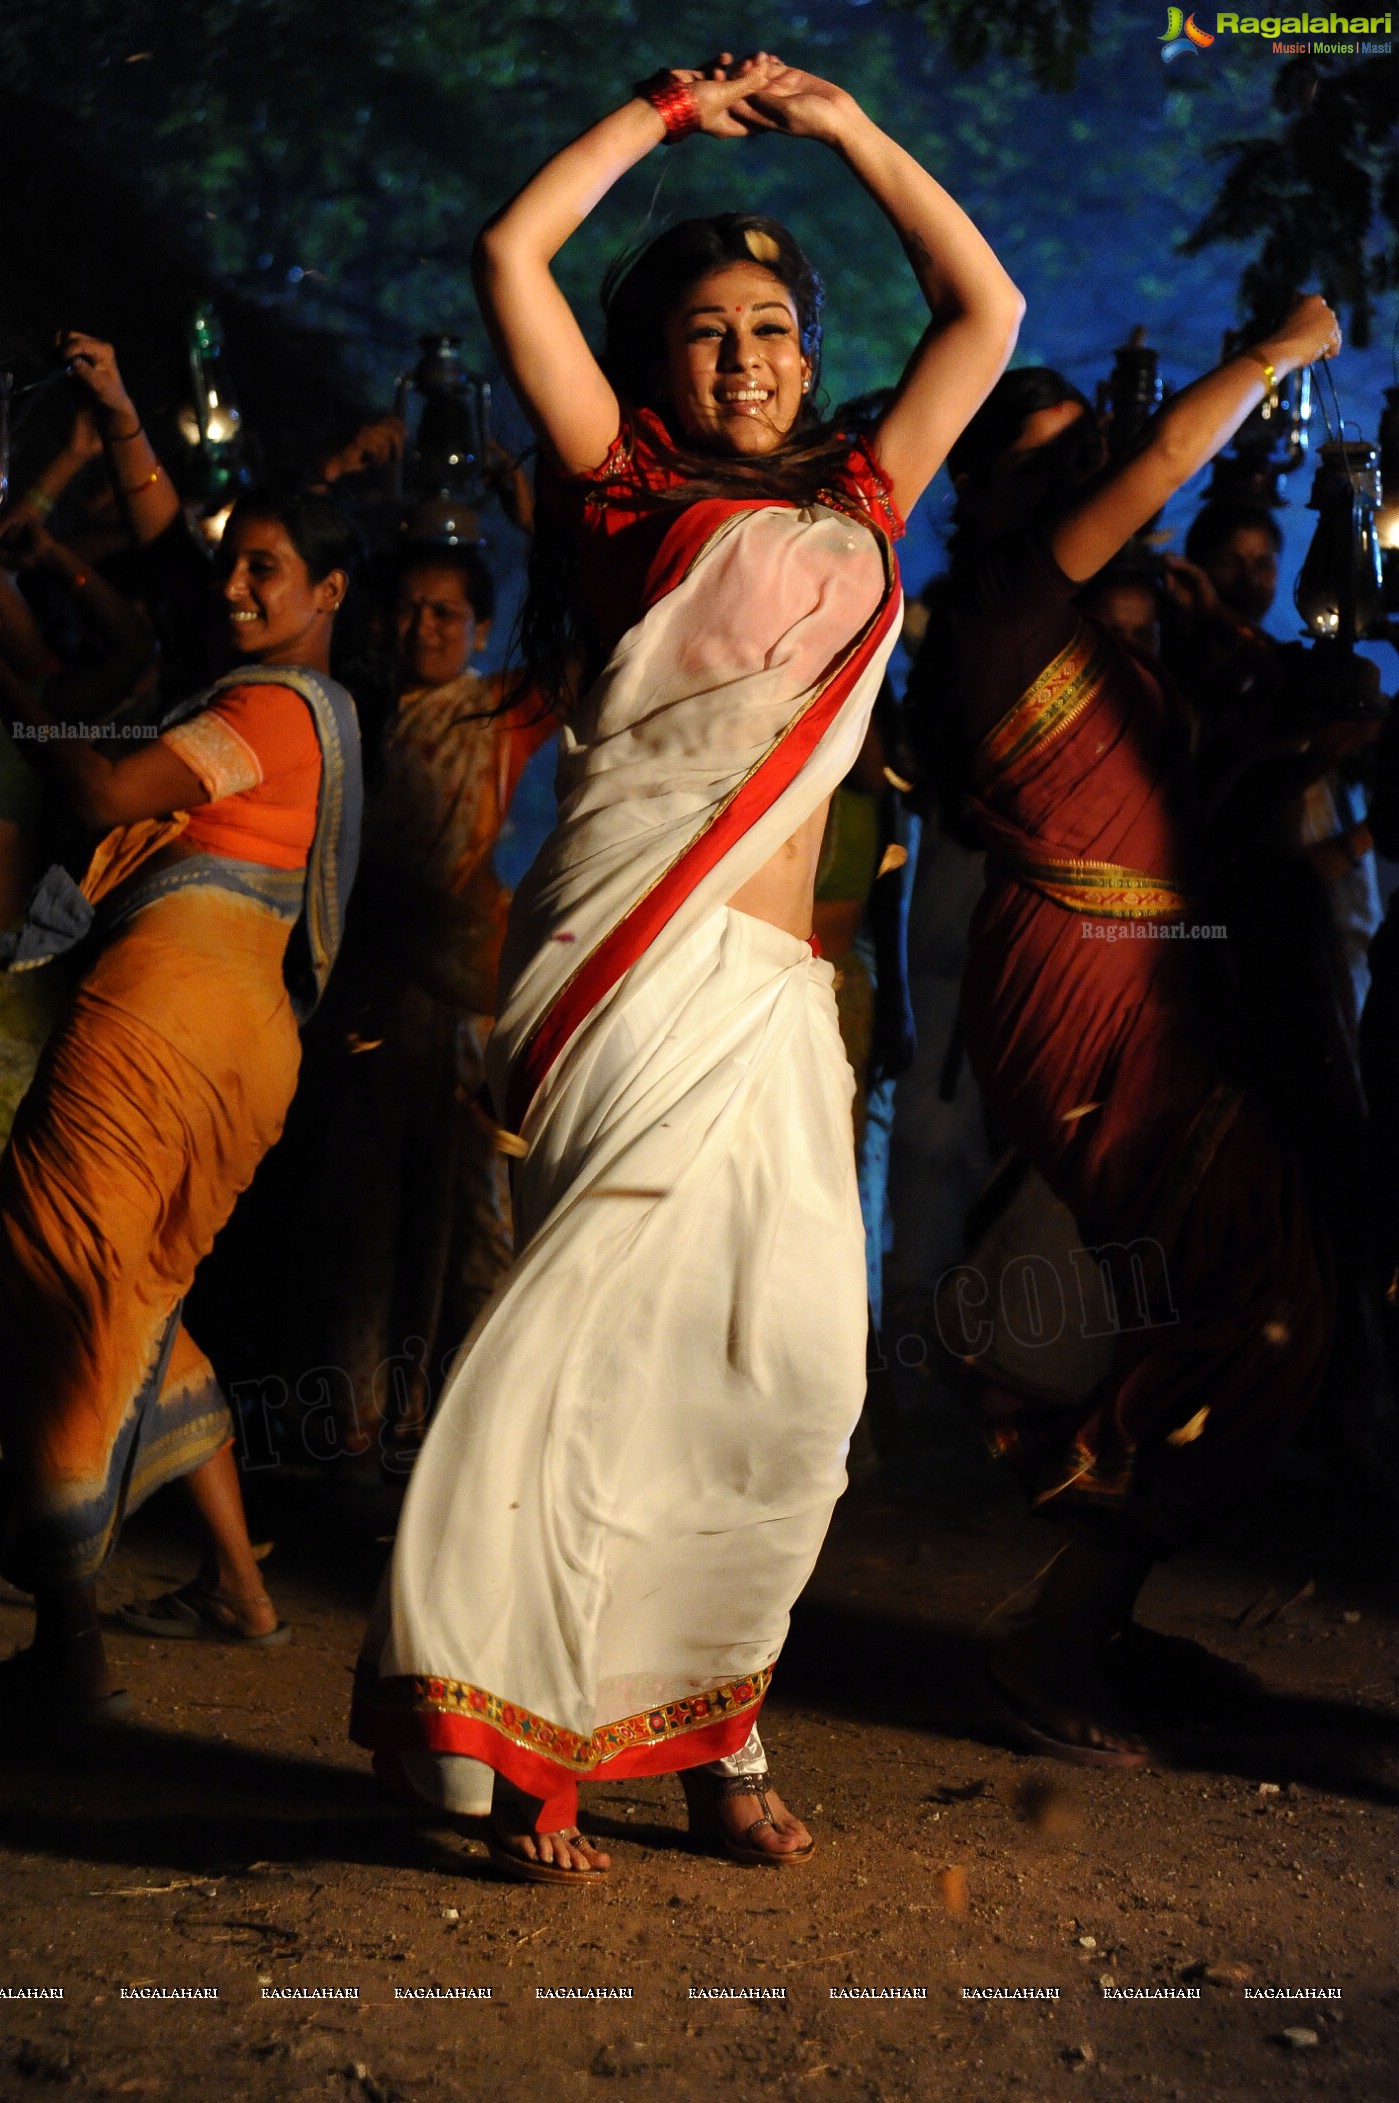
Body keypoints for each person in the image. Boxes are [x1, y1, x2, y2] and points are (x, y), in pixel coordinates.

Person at [351, 49, 1022, 1880]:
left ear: (810, 358)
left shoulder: (870, 497)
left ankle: (712, 1711)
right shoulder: (620, 495)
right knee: (592, 1356)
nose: (745, 354)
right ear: (657, 366)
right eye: (708, 330)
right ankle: (499, 1740)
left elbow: (987, 306)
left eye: (774, 327)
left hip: (776, 1002)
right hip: (626, 975)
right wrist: (654, 114)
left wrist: (851, 128)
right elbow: (512, 250)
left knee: (789, 1375)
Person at [923, 308, 1341, 1767]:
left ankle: (1087, 1614)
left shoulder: (1096, 633)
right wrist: (1279, 350)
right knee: (1256, 1289)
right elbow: (1169, 446)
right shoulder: (996, 609)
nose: (1080, 484)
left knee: (1248, 1282)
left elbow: (1291, 730)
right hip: (1080, 982)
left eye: (1080, 460)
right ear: (974, 493)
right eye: (1043, 468)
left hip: (1143, 977)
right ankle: (1053, 1636)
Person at [0, 486, 362, 1716]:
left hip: (163, 1017)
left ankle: (70, 1644)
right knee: (134, 1293)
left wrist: (23, 703)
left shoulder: (268, 704)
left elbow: (102, 800)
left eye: (265, 566)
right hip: (241, 1037)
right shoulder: (300, 710)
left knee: (49, 1278)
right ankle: (238, 1591)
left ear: (330, 592)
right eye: (230, 565)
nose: (234, 585)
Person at [285, 540, 553, 1479]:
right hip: (364, 991)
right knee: (361, 1219)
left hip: (461, 1000)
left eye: (446, 613)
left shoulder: (495, 709)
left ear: (480, 628)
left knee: (470, 1224)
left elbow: (580, 648)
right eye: (409, 607)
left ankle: (455, 1437)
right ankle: (351, 1422)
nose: (424, 627)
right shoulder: (354, 716)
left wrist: (531, 513)